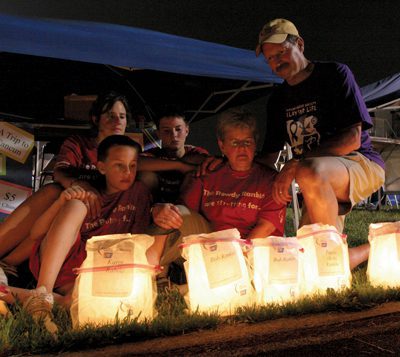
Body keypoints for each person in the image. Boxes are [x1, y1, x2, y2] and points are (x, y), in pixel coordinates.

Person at [0, 135, 168, 334]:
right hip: (64, 260)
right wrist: (60, 203)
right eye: (119, 166)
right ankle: (43, 291)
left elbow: (139, 238)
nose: (127, 172)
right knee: (76, 206)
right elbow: (37, 233)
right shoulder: (87, 194)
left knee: (77, 301)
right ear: (102, 167)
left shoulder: (138, 193)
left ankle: (12, 295)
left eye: (132, 166)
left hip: (99, 265)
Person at [254, 18, 384, 268]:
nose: (276, 61)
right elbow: (269, 157)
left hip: (359, 160)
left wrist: (299, 162)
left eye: (281, 52)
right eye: (270, 58)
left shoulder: (335, 74)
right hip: (312, 174)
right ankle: (385, 242)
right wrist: (224, 163)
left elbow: (352, 138)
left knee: (308, 171)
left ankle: (331, 261)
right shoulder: (278, 100)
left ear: (300, 45)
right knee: (310, 260)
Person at [0, 91, 130, 276]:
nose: (117, 121)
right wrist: (80, 185)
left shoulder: (131, 152)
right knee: (56, 192)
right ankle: (7, 262)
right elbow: (60, 171)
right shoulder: (80, 144)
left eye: (122, 117)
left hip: (101, 216)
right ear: (96, 119)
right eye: (110, 116)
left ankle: (8, 262)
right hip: (71, 208)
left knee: (65, 199)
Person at [152, 108, 286, 244]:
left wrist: (238, 255)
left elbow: (266, 227)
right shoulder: (208, 173)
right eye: (235, 142)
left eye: (247, 142)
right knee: (174, 215)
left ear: (255, 143)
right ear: (222, 146)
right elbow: (184, 214)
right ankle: (147, 261)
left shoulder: (271, 180)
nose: (242, 148)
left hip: (255, 250)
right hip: (211, 246)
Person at [138, 107, 209, 203]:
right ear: (158, 134)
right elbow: (137, 163)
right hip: (157, 207)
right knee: (146, 176)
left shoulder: (196, 152)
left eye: (178, 129)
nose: (174, 135)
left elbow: (206, 162)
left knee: (195, 174)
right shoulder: (153, 153)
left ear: (187, 131)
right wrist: (180, 165)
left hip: (189, 208)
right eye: (167, 131)